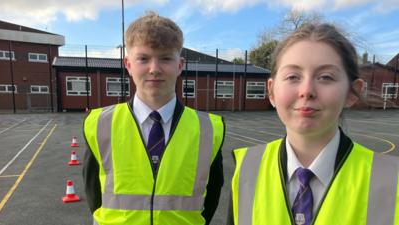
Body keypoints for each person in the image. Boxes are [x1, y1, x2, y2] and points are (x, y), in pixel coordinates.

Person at [227, 23, 399, 225]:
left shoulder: (391, 178)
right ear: (272, 91)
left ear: (353, 93)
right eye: (293, 76)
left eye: (325, 77)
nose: (306, 90)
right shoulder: (247, 169)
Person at [83, 11, 225, 225]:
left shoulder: (208, 129)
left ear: (180, 65)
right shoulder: (101, 124)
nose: (154, 69)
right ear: (129, 65)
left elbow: (212, 194)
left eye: (166, 58)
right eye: (143, 58)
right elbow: (94, 193)